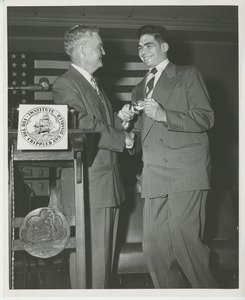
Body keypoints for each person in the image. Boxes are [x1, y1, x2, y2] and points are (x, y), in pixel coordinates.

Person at [118, 25, 218, 288]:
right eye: (139, 47)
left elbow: (205, 118)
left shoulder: (187, 75)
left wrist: (164, 115)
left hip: (185, 172)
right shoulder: (139, 88)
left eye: (148, 45)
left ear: (165, 47)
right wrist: (128, 129)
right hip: (153, 176)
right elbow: (140, 138)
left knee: (188, 250)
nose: (142, 51)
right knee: (155, 252)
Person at [52, 24, 134, 289]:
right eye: (99, 46)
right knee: (90, 269)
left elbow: (101, 124)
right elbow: (83, 123)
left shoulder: (95, 85)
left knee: (103, 268)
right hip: (87, 187)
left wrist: (121, 121)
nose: (104, 51)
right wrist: (123, 138)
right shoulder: (66, 83)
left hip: (106, 187)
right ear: (83, 49)